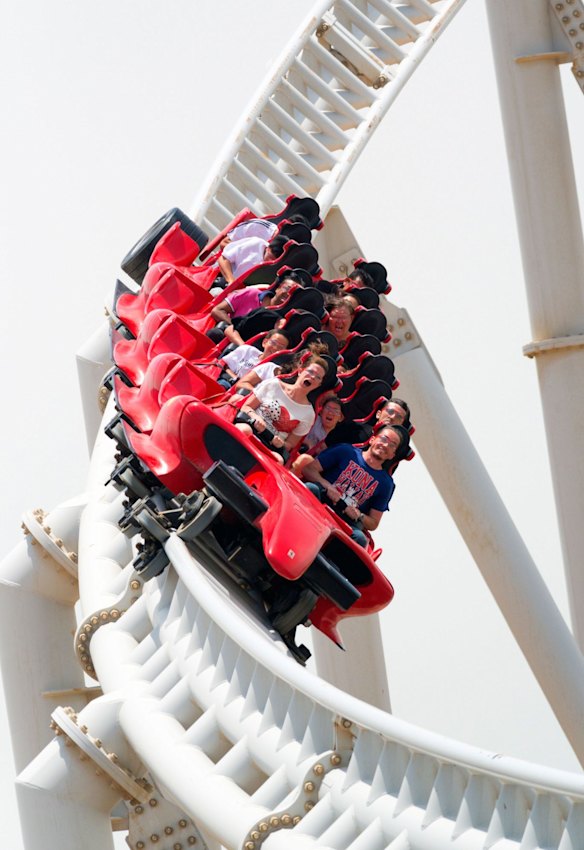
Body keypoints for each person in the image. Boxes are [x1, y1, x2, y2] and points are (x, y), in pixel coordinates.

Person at [302, 425, 406, 547]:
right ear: (372, 439)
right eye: (384, 439)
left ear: (392, 455)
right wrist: (328, 486)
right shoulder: (346, 451)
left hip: (345, 519)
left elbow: (373, 523)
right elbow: (308, 469)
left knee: (360, 539)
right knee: (310, 488)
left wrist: (359, 515)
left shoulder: (386, 484)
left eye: (392, 445)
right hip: (323, 498)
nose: (386, 445)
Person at [236, 356, 327, 455]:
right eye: (310, 372)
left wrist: (281, 443)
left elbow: (290, 444)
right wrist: (256, 418)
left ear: (318, 385)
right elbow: (246, 407)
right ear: (300, 371)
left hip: (270, 445)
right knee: (244, 430)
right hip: (251, 427)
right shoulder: (273, 385)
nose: (312, 377)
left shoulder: (309, 414)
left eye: (318, 377)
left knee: (278, 459)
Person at [210, 271, 304, 346]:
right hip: (225, 338)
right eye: (287, 288)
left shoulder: (282, 321)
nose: (288, 293)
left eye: (293, 293)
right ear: (277, 288)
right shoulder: (252, 294)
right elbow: (217, 310)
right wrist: (235, 329)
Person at [215, 329, 290, 389]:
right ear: (265, 342)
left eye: (280, 347)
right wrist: (235, 378)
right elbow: (224, 364)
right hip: (227, 382)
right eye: (273, 343)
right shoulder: (247, 350)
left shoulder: (274, 370)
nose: (275, 348)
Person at [291, 395, 344, 475]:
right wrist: (308, 442)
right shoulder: (312, 418)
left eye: (335, 411)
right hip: (293, 450)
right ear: (321, 411)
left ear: (341, 418)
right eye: (328, 408)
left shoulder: (336, 439)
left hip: (309, 466)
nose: (330, 413)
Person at [216, 234, 288, 285]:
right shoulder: (254, 244)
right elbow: (223, 258)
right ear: (268, 248)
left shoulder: (276, 269)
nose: (270, 262)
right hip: (223, 277)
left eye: (274, 261)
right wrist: (231, 280)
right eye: (270, 257)